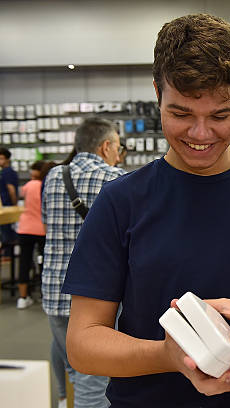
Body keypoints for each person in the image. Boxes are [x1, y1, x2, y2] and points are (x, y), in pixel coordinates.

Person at [61, 14, 230, 408]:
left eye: (220, 115)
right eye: (181, 114)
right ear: (157, 93)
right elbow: (82, 343)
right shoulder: (120, 201)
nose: (201, 135)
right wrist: (167, 356)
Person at [42, 117, 125, 408]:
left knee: (75, 369)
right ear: (105, 146)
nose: (119, 153)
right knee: (94, 381)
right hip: (95, 296)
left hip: (53, 291)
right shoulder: (115, 180)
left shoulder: (53, 176)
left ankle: (66, 399)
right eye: (117, 146)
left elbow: (46, 225)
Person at [15, 160, 46, 309]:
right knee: (43, 262)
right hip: (41, 229)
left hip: (25, 228)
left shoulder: (27, 186)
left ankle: (23, 297)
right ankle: (42, 293)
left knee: (24, 262)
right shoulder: (44, 185)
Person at [0, 147, 19, 251]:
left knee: (7, 232)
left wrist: (14, 204)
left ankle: (8, 254)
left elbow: (11, 189)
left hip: (8, 206)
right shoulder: (5, 172)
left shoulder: (7, 172)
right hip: (6, 205)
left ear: (8, 159)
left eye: (1, 158)